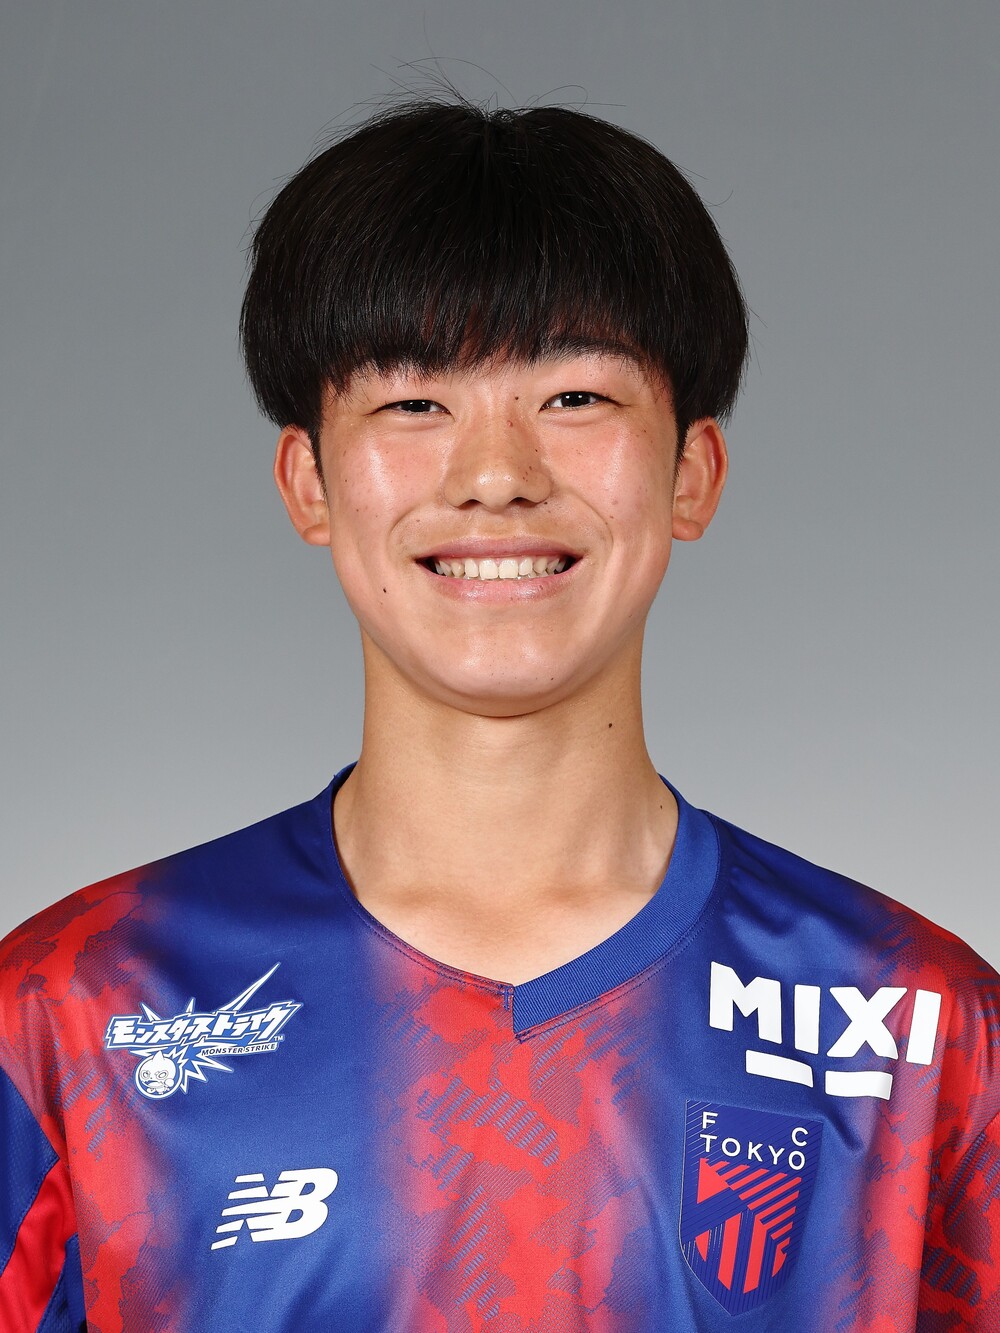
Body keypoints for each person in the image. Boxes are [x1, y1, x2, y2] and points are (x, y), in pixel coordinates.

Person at [0, 97, 996, 1333]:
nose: (495, 475)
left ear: (691, 473)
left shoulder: (918, 1023)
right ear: (308, 482)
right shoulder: (78, 1003)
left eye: (574, 397)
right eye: (413, 403)